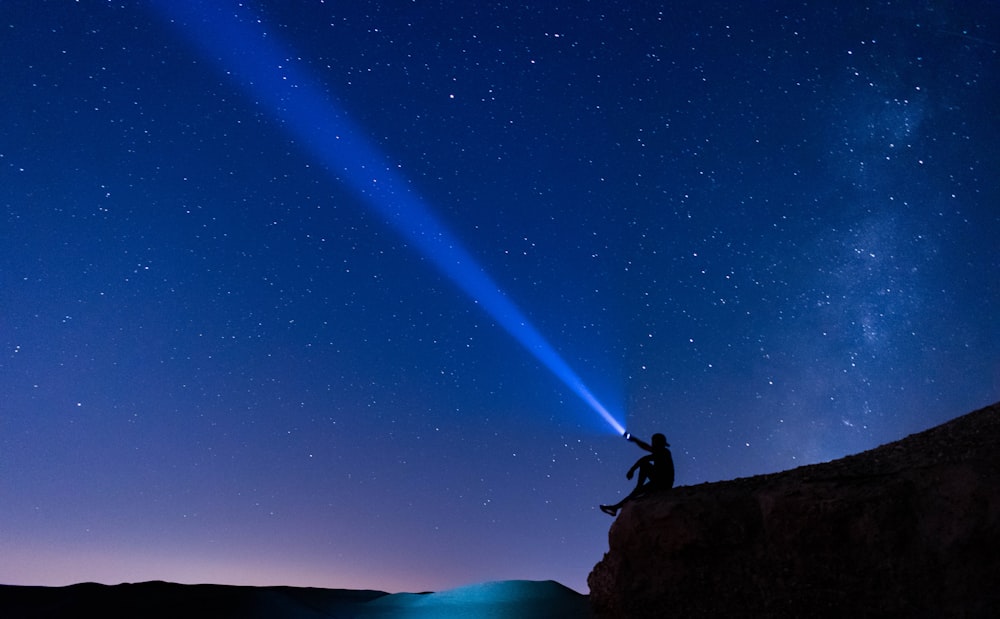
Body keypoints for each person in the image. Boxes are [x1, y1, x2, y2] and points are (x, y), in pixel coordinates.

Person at [600, 432, 674, 516]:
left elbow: (645, 458)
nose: (652, 444)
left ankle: (618, 505)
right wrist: (634, 439)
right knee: (638, 488)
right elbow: (645, 446)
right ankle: (615, 508)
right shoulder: (661, 451)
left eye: (654, 442)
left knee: (644, 466)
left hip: (663, 482)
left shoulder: (664, 452)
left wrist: (632, 470)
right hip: (659, 480)